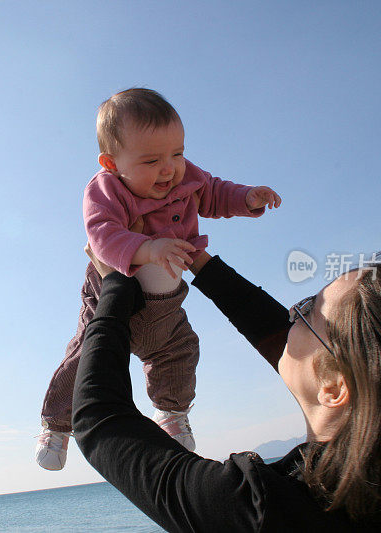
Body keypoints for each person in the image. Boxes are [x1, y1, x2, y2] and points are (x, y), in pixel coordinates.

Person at [72, 249, 381, 532]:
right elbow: (291, 343)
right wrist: (201, 265)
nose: (290, 320)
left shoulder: (266, 513)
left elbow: (100, 422)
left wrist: (115, 285)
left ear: (335, 384)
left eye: (305, 310)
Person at [35, 88, 281, 470]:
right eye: (151, 160)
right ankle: (56, 425)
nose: (169, 169)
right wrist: (150, 249)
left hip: (165, 296)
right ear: (112, 163)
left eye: (177, 153)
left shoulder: (186, 178)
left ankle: (171, 412)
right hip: (111, 288)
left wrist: (247, 197)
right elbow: (101, 234)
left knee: (179, 348)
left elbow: (213, 193)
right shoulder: (105, 189)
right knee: (88, 355)